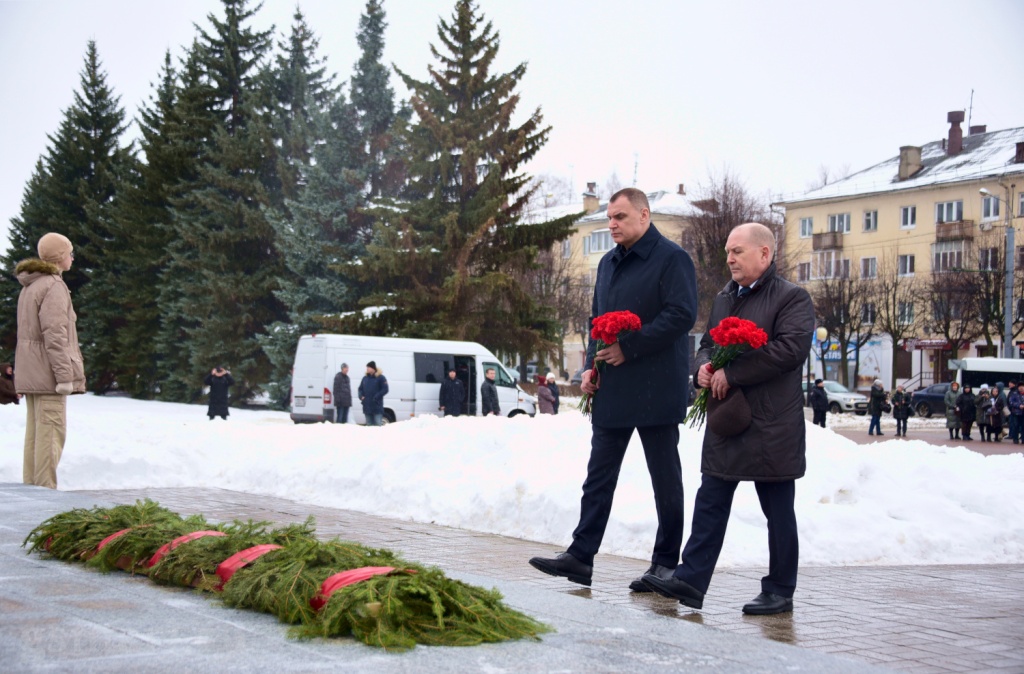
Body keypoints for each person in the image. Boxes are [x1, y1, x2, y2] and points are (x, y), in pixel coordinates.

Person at [529, 188, 697, 593]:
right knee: (598, 476)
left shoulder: (673, 259)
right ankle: (581, 556)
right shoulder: (607, 263)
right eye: (609, 218)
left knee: (664, 480)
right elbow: (595, 321)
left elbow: (681, 315)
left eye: (620, 217)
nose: (612, 225)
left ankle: (665, 564)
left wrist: (630, 347)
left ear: (644, 215)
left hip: (656, 388)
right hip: (613, 386)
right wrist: (590, 367)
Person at [642, 222, 813, 616]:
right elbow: (707, 344)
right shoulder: (724, 297)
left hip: (772, 425)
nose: (730, 259)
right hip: (728, 418)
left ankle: (779, 590)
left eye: (737, 251)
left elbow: (789, 351)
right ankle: (690, 579)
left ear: (764, 254)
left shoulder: (792, 298)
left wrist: (730, 374)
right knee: (710, 501)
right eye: (727, 252)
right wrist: (702, 369)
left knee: (778, 510)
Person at [15, 233, 86, 489]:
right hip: (49, 376)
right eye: (69, 252)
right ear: (59, 257)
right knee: (50, 438)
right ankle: (44, 498)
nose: (72, 257)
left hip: (34, 373)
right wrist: (64, 376)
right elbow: (55, 336)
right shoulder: (53, 286)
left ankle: (31, 493)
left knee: (35, 437)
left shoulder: (32, 285)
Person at [358, 361, 389, 426]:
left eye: (368, 367)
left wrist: (377, 396)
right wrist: (361, 396)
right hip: (367, 406)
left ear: (373, 368)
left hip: (377, 406)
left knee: (377, 425)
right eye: (367, 367)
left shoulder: (381, 378)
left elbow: (385, 389)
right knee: (369, 425)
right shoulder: (365, 378)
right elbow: (360, 389)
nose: (367, 369)